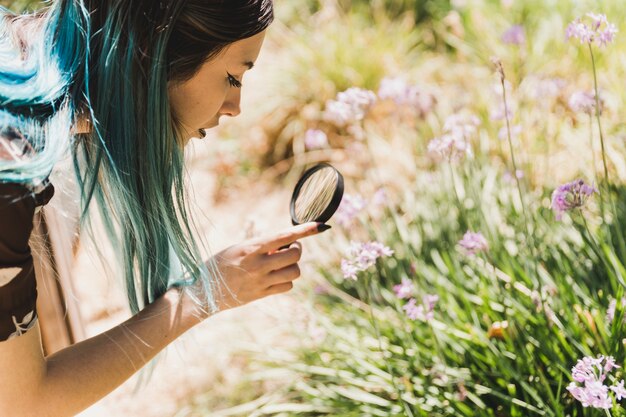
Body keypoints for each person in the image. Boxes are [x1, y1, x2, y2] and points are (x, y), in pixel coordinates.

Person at [0, 1, 330, 415]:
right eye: (232, 77)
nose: (235, 106)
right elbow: (25, 401)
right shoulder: (8, 162)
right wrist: (200, 296)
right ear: (153, 52)